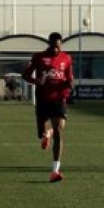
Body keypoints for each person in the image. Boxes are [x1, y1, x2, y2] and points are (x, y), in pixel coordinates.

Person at [21, 31, 73, 183]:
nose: (56, 50)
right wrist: (38, 81)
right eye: (53, 47)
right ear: (49, 44)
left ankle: (55, 171)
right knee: (41, 133)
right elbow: (25, 75)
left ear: (61, 44)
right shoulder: (38, 57)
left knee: (59, 130)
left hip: (59, 99)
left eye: (58, 47)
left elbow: (70, 77)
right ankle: (46, 134)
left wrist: (70, 84)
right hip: (43, 99)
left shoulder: (67, 58)